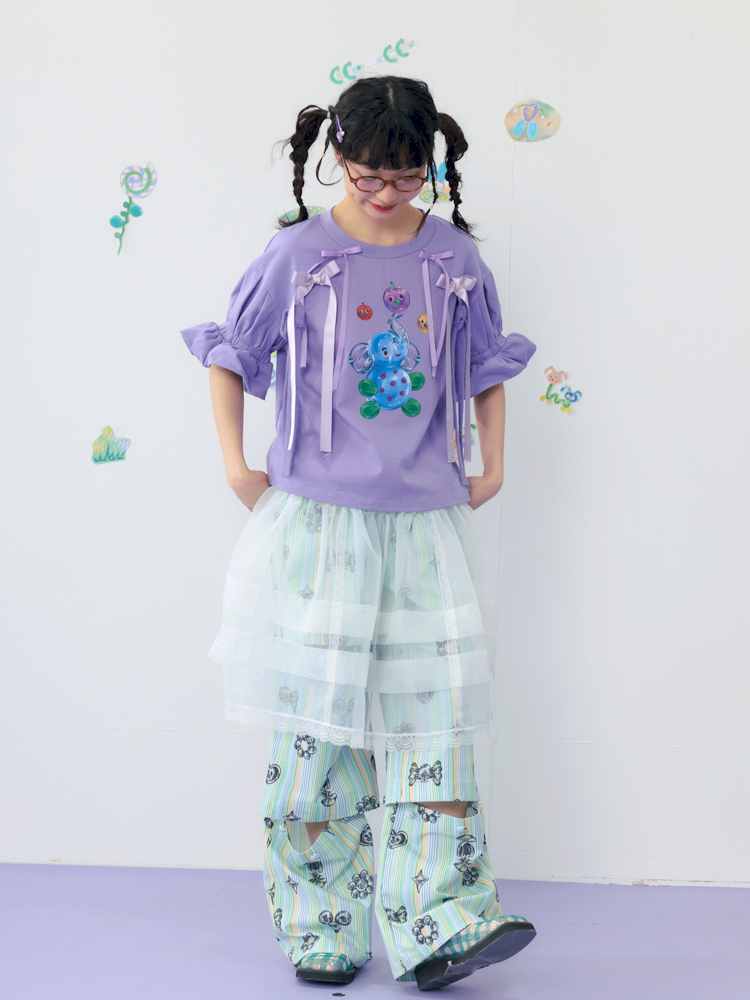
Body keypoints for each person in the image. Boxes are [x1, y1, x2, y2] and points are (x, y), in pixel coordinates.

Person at [180, 76, 537, 992]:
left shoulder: (454, 258)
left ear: (434, 165)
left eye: (407, 177)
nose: (385, 193)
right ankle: (324, 926)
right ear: (336, 155)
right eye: (369, 175)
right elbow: (230, 353)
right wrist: (235, 465)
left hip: (424, 527)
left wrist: (493, 463)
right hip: (321, 527)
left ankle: (444, 922)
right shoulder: (298, 253)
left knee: (437, 726)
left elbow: (486, 366)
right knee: (317, 732)